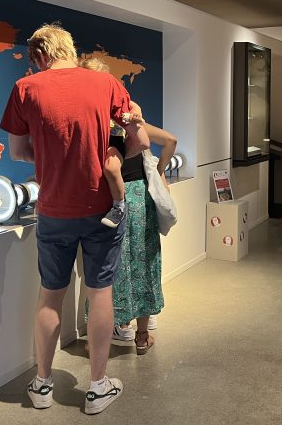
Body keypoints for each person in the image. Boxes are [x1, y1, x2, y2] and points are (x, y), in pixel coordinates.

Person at [0, 24, 149, 415]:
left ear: (40, 55)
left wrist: (52, 157)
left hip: (54, 210)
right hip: (101, 207)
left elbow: (17, 152)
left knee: (50, 295)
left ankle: (42, 384)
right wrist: (114, 154)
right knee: (100, 293)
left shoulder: (25, 88)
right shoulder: (105, 83)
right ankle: (97, 388)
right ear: (69, 48)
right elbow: (138, 139)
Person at [79, 57, 175, 351]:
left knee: (108, 266)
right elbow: (169, 140)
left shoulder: (87, 117)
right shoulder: (127, 112)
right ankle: (142, 336)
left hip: (105, 197)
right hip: (139, 196)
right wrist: (159, 172)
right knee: (144, 260)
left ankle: (106, 332)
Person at [77, 57, 144, 229]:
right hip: (92, 140)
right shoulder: (81, 99)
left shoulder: (112, 96)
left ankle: (118, 206)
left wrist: (134, 114)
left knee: (111, 167)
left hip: (113, 140)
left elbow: (133, 106)